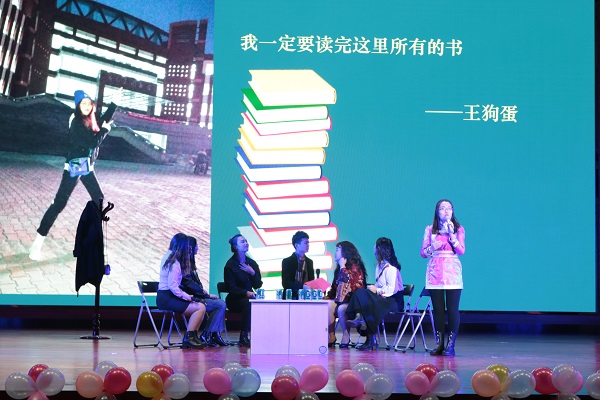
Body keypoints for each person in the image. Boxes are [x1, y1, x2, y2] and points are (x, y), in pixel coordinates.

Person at [29, 89, 118, 260]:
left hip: (87, 167)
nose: (86, 106)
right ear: (77, 106)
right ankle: (37, 244)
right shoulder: (76, 121)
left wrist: (114, 102)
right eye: (83, 104)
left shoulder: (91, 119)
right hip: (74, 167)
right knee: (59, 203)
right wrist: (105, 130)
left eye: (89, 103)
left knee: (99, 199)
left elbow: (105, 119)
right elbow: (92, 142)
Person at [420, 199, 465, 356]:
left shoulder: (458, 229)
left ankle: (450, 345)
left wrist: (452, 235)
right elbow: (423, 253)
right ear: (437, 211)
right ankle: (439, 344)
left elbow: (461, 251)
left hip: (452, 272)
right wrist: (432, 247)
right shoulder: (430, 229)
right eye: (442, 208)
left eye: (449, 208)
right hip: (435, 272)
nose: (446, 211)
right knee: (438, 310)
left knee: (452, 309)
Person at [346, 237, 404, 351]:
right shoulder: (379, 267)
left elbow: (392, 289)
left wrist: (376, 290)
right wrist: (374, 288)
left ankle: (368, 335)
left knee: (369, 304)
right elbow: (380, 284)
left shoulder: (391, 268)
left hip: (392, 300)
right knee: (360, 292)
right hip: (382, 297)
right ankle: (359, 317)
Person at [157, 233, 207, 349]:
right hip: (166, 298)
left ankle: (192, 337)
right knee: (200, 308)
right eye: (188, 246)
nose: (190, 248)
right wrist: (187, 297)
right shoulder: (174, 263)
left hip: (168, 296)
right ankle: (189, 338)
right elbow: (173, 286)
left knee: (201, 306)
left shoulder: (170, 256)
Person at [180, 236, 228, 346]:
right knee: (220, 304)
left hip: (197, 296)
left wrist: (204, 294)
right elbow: (189, 285)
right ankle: (208, 334)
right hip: (190, 298)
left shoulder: (190, 263)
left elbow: (196, 284)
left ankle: (211, 334)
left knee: (220, 303)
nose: (197, 248)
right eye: (196, 245)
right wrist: (206, 295)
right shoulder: (184, 264)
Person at [324, 241, 367, 348]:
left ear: (345, 252)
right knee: (329, 305)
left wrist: (343, 268)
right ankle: (331, 336)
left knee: (341, 308)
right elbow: (335, 287)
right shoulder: (339, 268)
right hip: (340, 300)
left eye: (337, 250)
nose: (335, 253)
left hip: (353, 303)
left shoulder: (355, 268)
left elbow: (353, 286)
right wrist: (328, 296)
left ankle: (346, 334)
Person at [223, 234, 263, 347]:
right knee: (248, 304)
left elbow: (258, 285)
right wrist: (246, 293)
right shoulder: (230, 265)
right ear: (235, 247)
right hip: (235, 299)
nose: (246, 243)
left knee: (260, 303)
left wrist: (252, 273)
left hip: (250, 297)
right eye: (242, 242)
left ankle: (261, 336)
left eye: (246, 241)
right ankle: (244, 336)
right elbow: (231, 288)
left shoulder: (252, 263)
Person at [281, 231, 314, 300]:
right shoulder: (287, 261)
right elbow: (286, 283)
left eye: (308, 243)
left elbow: (311, 280)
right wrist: (302, 286)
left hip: (306, 298)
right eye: (305, 243)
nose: (308, 245)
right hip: (290, 298)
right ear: (296, 245)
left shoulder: (309, 262)